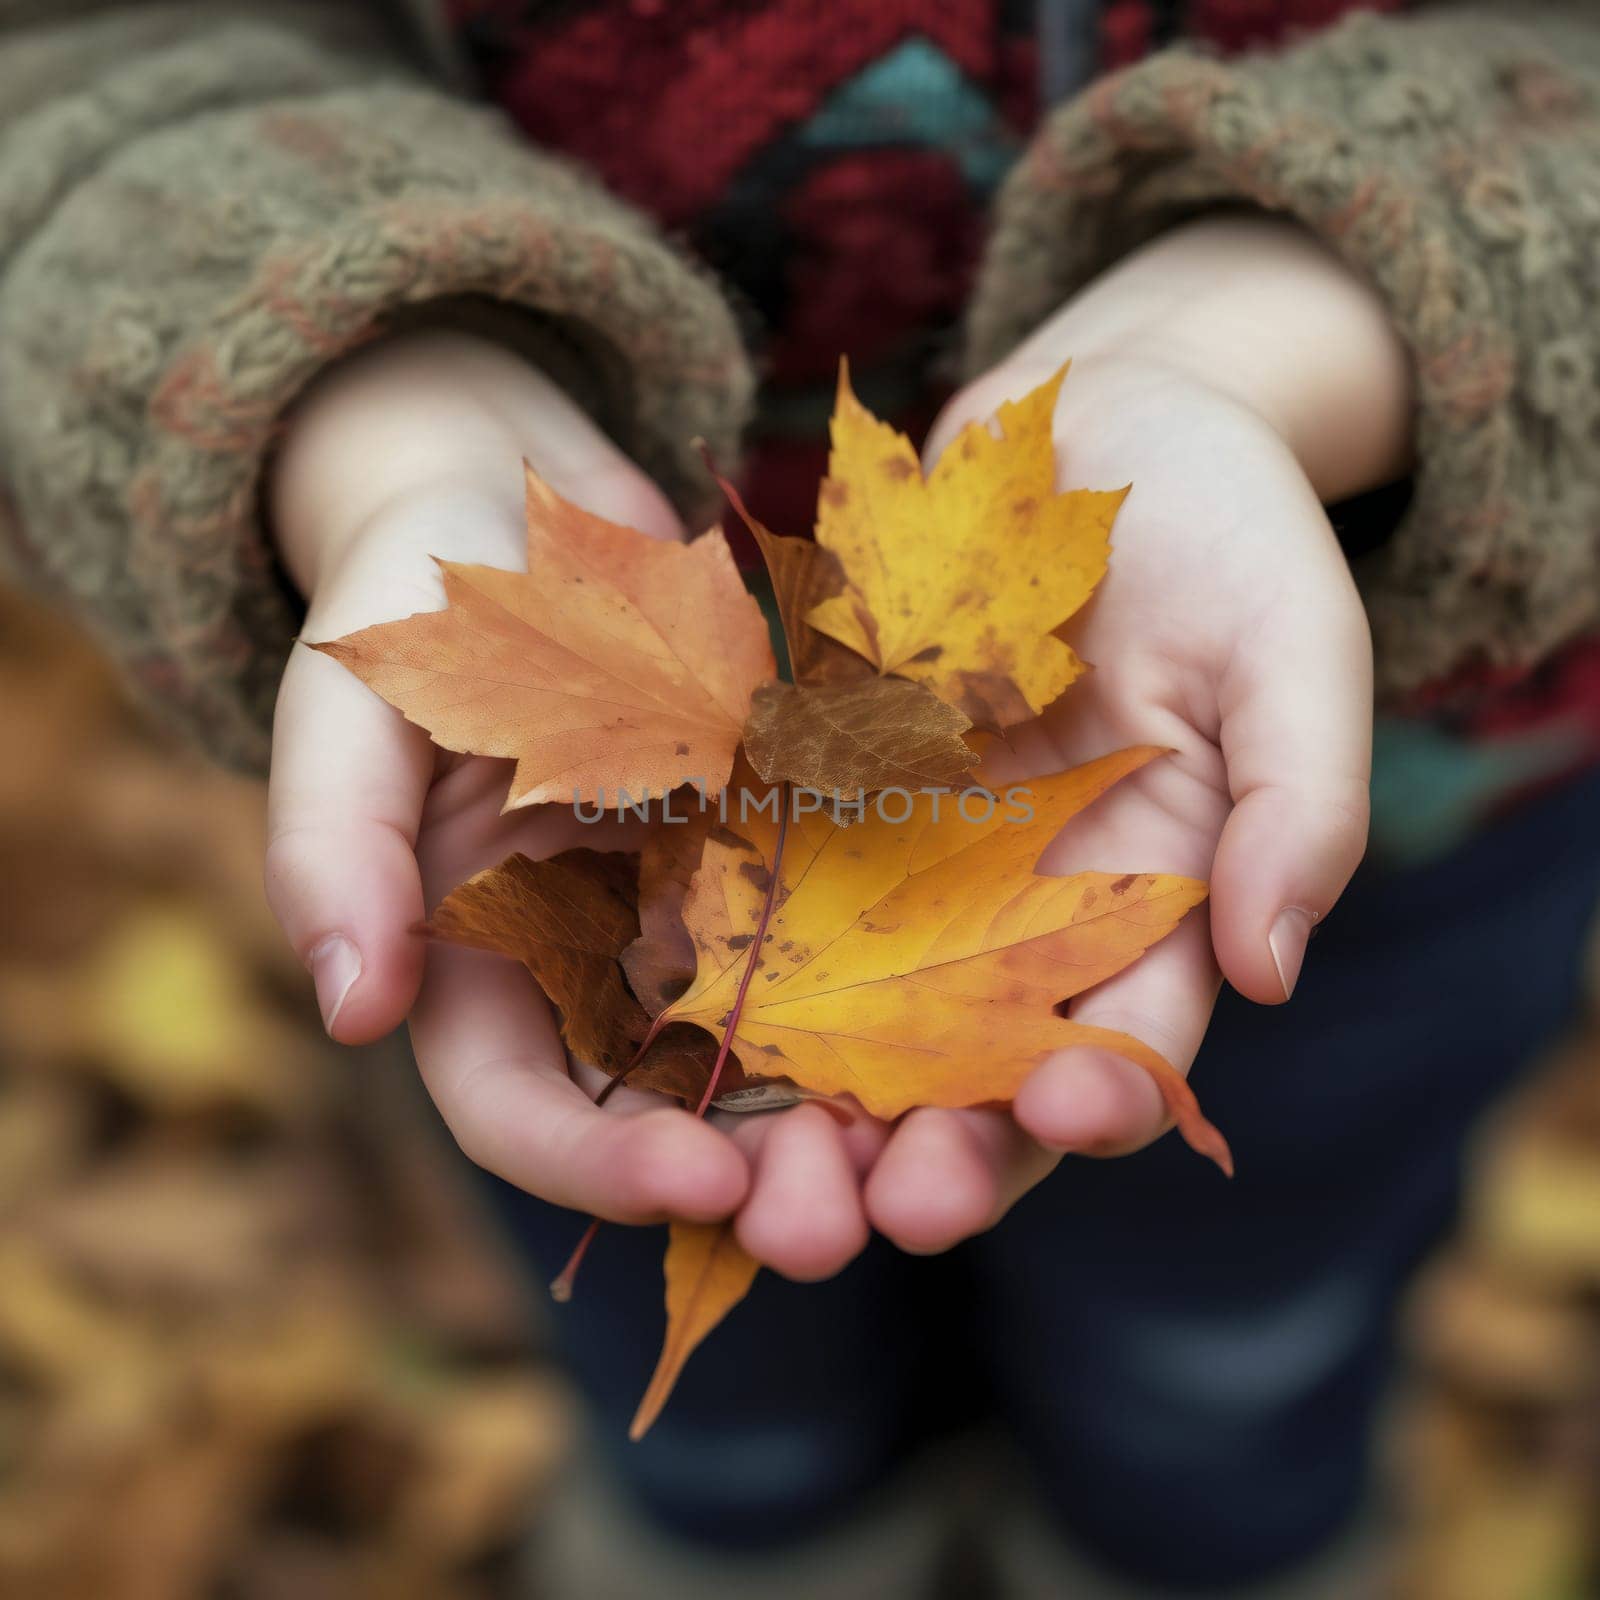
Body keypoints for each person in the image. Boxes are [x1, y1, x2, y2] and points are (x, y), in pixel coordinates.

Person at [3, 2, 1598, 1592]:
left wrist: (1268, 336)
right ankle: (733, 1521)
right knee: (702, 1346)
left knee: (1236, 1343)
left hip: (1436, 825)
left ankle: (1205, 1540)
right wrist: (382, 411)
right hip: (638, 877)